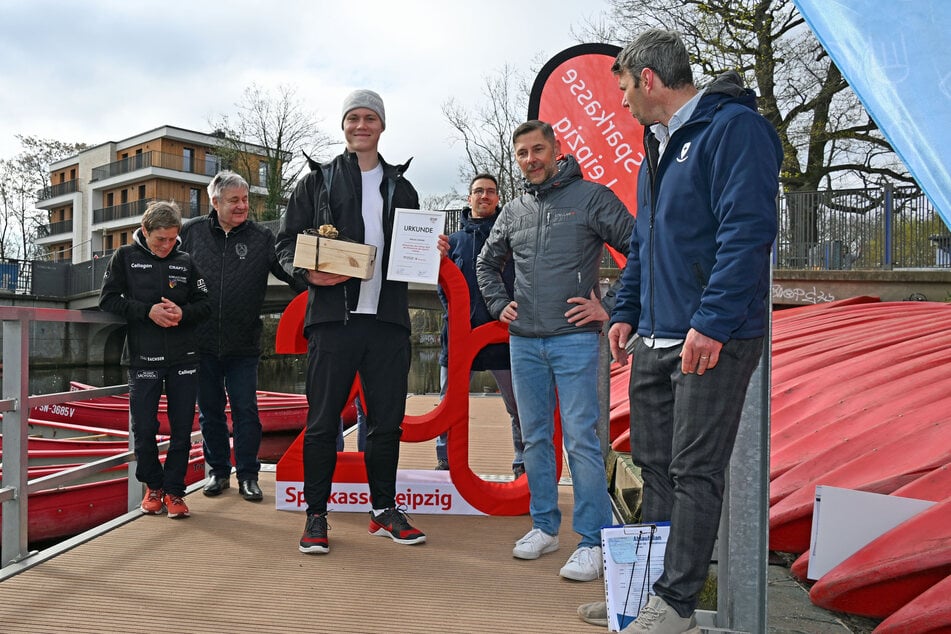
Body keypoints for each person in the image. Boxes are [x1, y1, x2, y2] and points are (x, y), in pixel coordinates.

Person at [578, 30, 783, 633]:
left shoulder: (733, 130)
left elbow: (746, 232)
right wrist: (625, 313)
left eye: (622, 88)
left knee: (696, 471)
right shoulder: (657, 143)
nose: (620, 102)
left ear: (647, 79)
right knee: (654, 467)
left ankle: (676, 606)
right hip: (657, 335)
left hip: (711, 336)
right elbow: (644, 240)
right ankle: (641, 594)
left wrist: (712, 323)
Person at [276, 89, 448, 555]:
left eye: (370, 117)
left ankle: (384, 509)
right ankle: (316, 515)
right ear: (344, 126)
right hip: (333, 321)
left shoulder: (403, 186)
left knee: (386, 423)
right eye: (353, 117)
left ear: (382, 125)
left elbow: (416, 249)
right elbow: (283, 245)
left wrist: (433, 250)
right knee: (322, 420)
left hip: (388, 322)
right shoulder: (316, 181)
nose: (361, 125)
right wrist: (306, 273)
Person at [477, 120, 634, 582]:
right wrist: (497, 302)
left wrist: (607, 305)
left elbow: (640, 248)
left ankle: (591, 541)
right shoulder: (514, 210)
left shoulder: (591, 198)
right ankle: (544, 526)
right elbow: (487, 262)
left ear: (557, 148)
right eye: (523, 153)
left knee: (582, 440)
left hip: (575, 341)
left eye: (538, 149)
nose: (531, 159)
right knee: (535, 438)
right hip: (523, 342)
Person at [180, 170, 304, 502]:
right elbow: (164, 265)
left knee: (246, 411)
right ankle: (218, 472)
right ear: (215, 201)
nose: (242, 206)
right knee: (210, 411)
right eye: (234, 200)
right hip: (201, 343)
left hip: (244, 343)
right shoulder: (190, 234)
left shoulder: (262, 238)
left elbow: (290, 271)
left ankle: (249, 474)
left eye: (246, 199)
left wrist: (317, 280)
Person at [99, 200, 211, 519]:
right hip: (143, 357)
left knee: (180, 428)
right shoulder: (124, 257)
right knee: (145, 427)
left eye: (172, 239)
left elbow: (204, 304)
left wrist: (183, 312)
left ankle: (175, 491)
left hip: (184, 357)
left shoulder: (186, 261)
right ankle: (154, 486)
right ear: (145, 231)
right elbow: (108, 299)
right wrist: (146, 311)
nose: (166, 246)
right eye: (160, 239)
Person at [434, 173, 524, 478]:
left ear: (498, 199)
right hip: (460, 337)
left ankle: (522, 464)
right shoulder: (452, 243)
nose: (484, 196)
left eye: (490, 192)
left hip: (503, 337)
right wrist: (455, 317)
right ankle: (445, 459)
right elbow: (441, 287)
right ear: (469, 198)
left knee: (519, 407)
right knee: (447, 403)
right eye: (478, 191)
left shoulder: (511, 238)